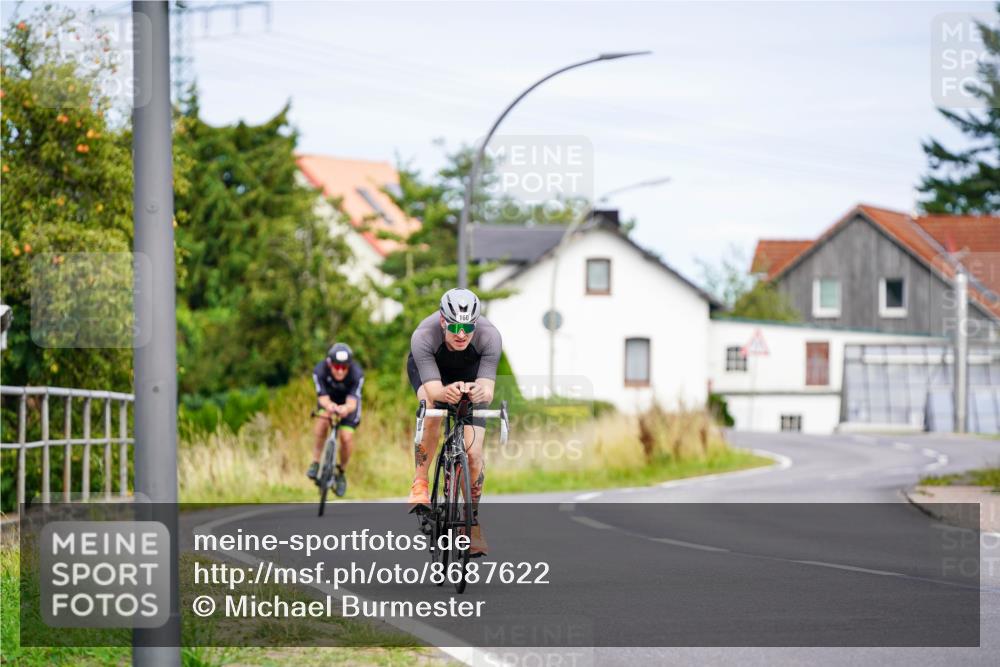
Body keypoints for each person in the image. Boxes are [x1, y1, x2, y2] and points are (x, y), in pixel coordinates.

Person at [406, 287, 501, 557]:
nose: (462, 334)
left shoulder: (490, 336)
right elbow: (435, 390)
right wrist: (443, 393)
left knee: (473, 454)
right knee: (432, 407)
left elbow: (488, 389)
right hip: (432, 372)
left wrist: (480, 392)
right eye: (456, 326)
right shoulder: (424, 335)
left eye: (468, 326)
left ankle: (471, 524)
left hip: (471, 373)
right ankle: (421, 483)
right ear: (443, 320)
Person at [307, 342, 363, 497]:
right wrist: (331, 406)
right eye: (336, 367)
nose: (340, 371)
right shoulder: (319, 370)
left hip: (348, 406)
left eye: (344, 367)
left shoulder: (357, 373)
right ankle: (316, 462)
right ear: (329, 363)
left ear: (349, 367)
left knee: (346, 437)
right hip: (328, 401)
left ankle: (341, 472)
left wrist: (345, 409)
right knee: (322, 422)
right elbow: (322, 398)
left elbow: (353, 403)